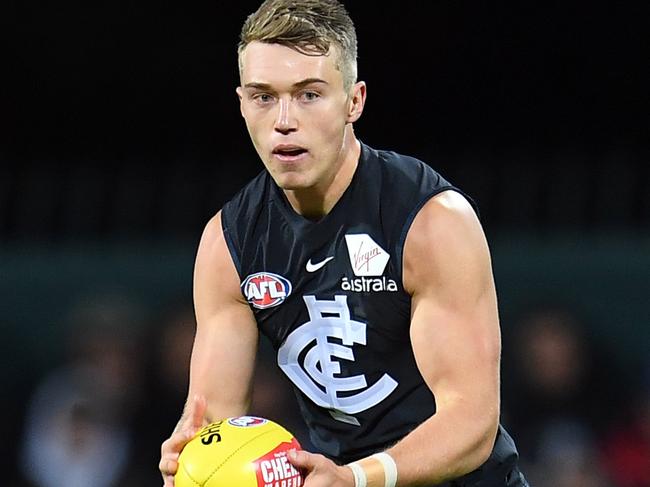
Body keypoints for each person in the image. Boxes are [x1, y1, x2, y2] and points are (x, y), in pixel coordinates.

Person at [160, 1, 527, 485]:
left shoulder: (431, 221)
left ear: (355, 101)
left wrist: (356, 478)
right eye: (263, 97)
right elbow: (217, 419)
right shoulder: (228, 244)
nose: (284, 120)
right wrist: (196, 462)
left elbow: (472, 423)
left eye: (309, 94)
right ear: (241, 102)